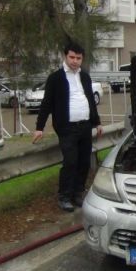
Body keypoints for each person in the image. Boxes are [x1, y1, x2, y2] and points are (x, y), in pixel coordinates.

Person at [32, 41, 102, 212]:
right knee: (70, 162)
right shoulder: (55, 78)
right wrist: (39, 127)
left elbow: (90, 101)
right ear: (65, 56)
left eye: (78, 58)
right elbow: (47, 104)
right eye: (72, 57)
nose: (74, 61)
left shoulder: (84, 76)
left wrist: (97, 122)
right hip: (67, 128)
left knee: (84, 162)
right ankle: (64, 196)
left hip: (85, 126)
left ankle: (78, 193)